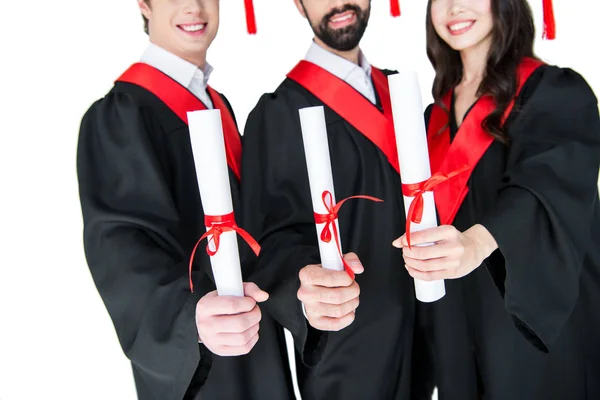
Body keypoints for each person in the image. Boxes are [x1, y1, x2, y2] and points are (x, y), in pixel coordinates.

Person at [77, 1, 296, 398]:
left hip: (257, 341)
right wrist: (188, 315)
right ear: (144, 4)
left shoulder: (219, 104)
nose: (194, 7)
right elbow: (121, 250)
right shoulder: (122, 115)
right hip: (202, 366)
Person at [394, 0, 600, 399]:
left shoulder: (556, 91)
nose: (454, 8)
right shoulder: (429, 120)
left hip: (533, 331)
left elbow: (546, 183)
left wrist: (476, 242)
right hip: (456, 329)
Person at [241, 1, 417, 399]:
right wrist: (304, 284)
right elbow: (268, 240)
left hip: (423, 339)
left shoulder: (402, 94)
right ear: (298, 5)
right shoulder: (279, 113)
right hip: (346, 350)